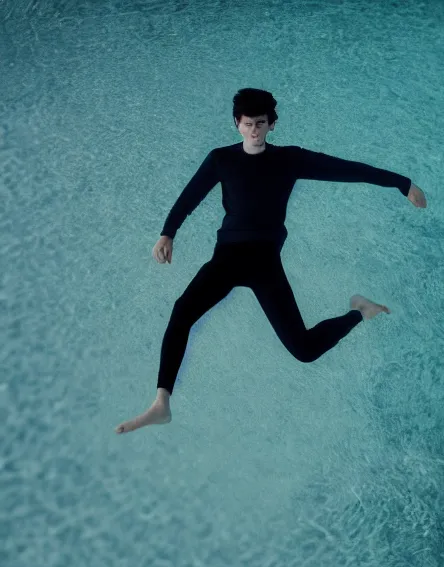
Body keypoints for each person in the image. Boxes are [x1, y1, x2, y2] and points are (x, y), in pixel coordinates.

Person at [115, 88, 427, 434]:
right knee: (182, 311)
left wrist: (402, 184)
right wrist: (167, 232)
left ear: (272, 125)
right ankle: (162, 402)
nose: (254, 130)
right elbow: (190, 195)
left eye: (260, 124)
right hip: (228, 258)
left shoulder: (289, 160)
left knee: (305, 350)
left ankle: (359, 310)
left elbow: (345, 169)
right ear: (237, 124)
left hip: (265, 263)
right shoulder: (221, 159)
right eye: (247, 124)